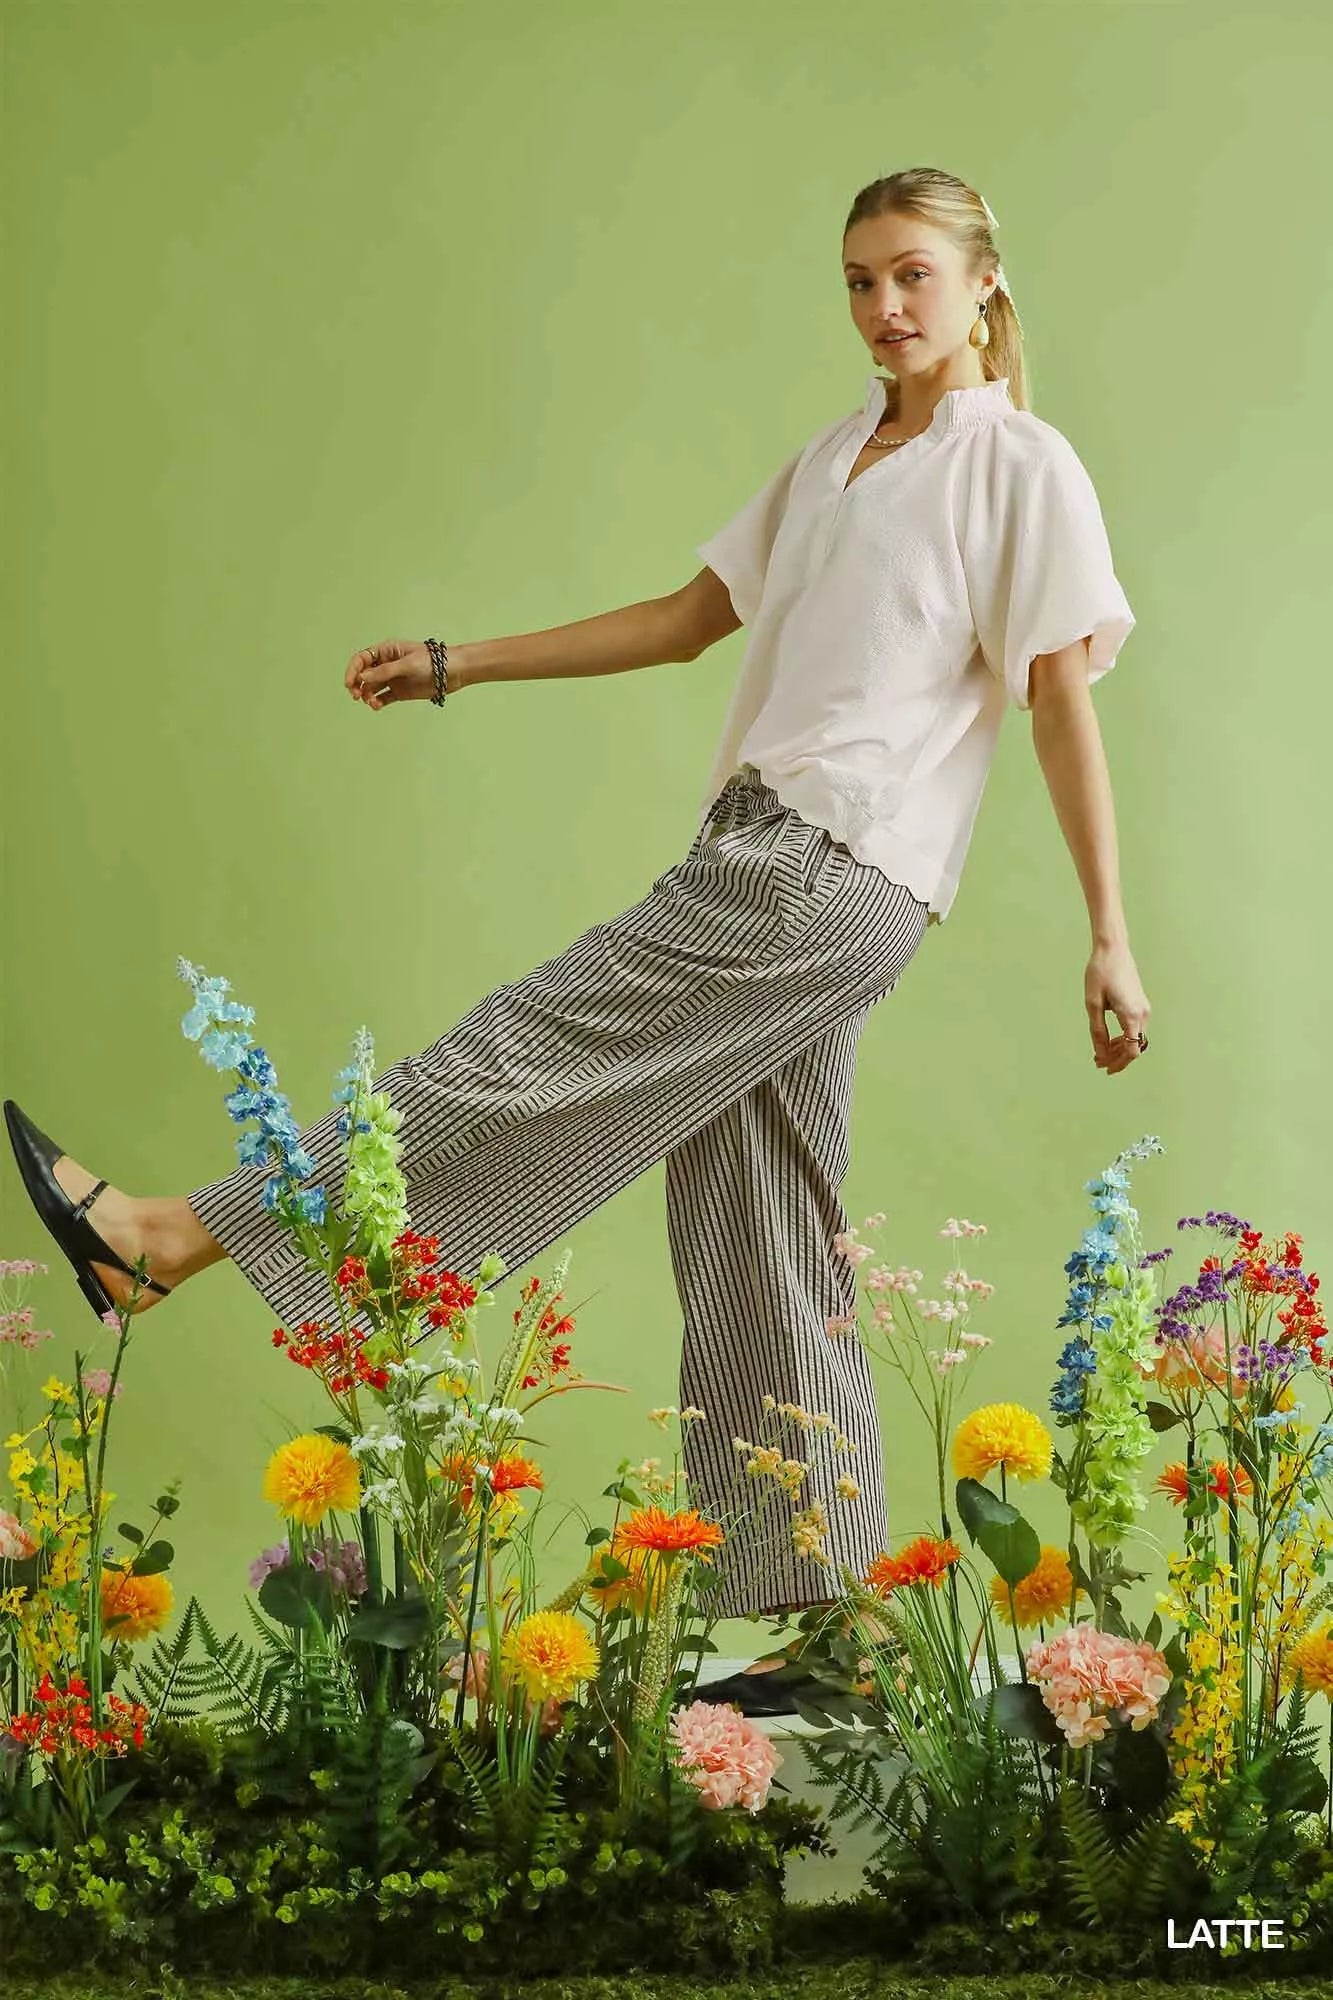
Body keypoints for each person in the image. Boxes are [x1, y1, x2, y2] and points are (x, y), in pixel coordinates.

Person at [5, 167, 1151, 1712]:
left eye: (910, 278)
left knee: (521, 1054)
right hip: (767, 847)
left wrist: (1108, 932)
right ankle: (826, 1625)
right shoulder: (829, 463)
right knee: (756, 1224)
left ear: (979, 285)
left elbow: (1057, 696)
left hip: (831, 863)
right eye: (858, 283)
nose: (883, 309)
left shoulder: (1016, 462)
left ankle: (174, 1238)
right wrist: (458, 664)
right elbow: (686, 620)